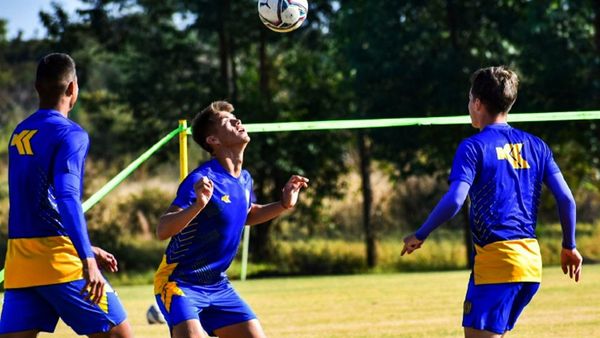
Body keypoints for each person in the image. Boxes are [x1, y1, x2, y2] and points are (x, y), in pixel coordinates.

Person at [401, 66, 583, 338]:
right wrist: (569, 246)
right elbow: (567, 199)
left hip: (497, 264)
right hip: (530, 265)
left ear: (477, 103)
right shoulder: (537, 145)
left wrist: (420, 234)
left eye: (469, 100)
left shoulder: (473, 147)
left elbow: (455, 201)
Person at [0, 53, 133, 338]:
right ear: (73, 88)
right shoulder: (71, 134)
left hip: (20, 263)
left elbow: (36, 203)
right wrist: (87, 258)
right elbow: (67, 197)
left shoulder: (20, 131)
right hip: (57, 263)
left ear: (37, 87)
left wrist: (82, 245)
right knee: (120, 335)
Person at [154, 101, 309, 338]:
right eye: (227, 121)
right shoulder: (202, 179)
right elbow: (163, 229)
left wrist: (283, 204)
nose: (238, 121)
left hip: (218, 285)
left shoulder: (244, 179)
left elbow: (246, 214)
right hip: (180, 283)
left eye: (236, 118)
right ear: (213, 141)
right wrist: (197, 205)